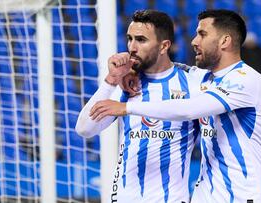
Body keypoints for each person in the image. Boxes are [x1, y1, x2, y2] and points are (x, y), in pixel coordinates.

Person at [90, 9, 261, 203]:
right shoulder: (202, 79)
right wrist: (132, 70)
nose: (194, 41)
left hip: (243, 196)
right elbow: (167, 70)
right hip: (205, 195)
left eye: (202, 34)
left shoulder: (246, 79)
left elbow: (189, 110)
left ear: (224, 41)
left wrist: (127, 108)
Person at [76, 10, 205, 203]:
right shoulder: (125, 84)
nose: (132, 47)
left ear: (164, 46)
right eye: (130, 39)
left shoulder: (192, 83)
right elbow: (85, 129)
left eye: (141, 40)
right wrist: (111, 80)